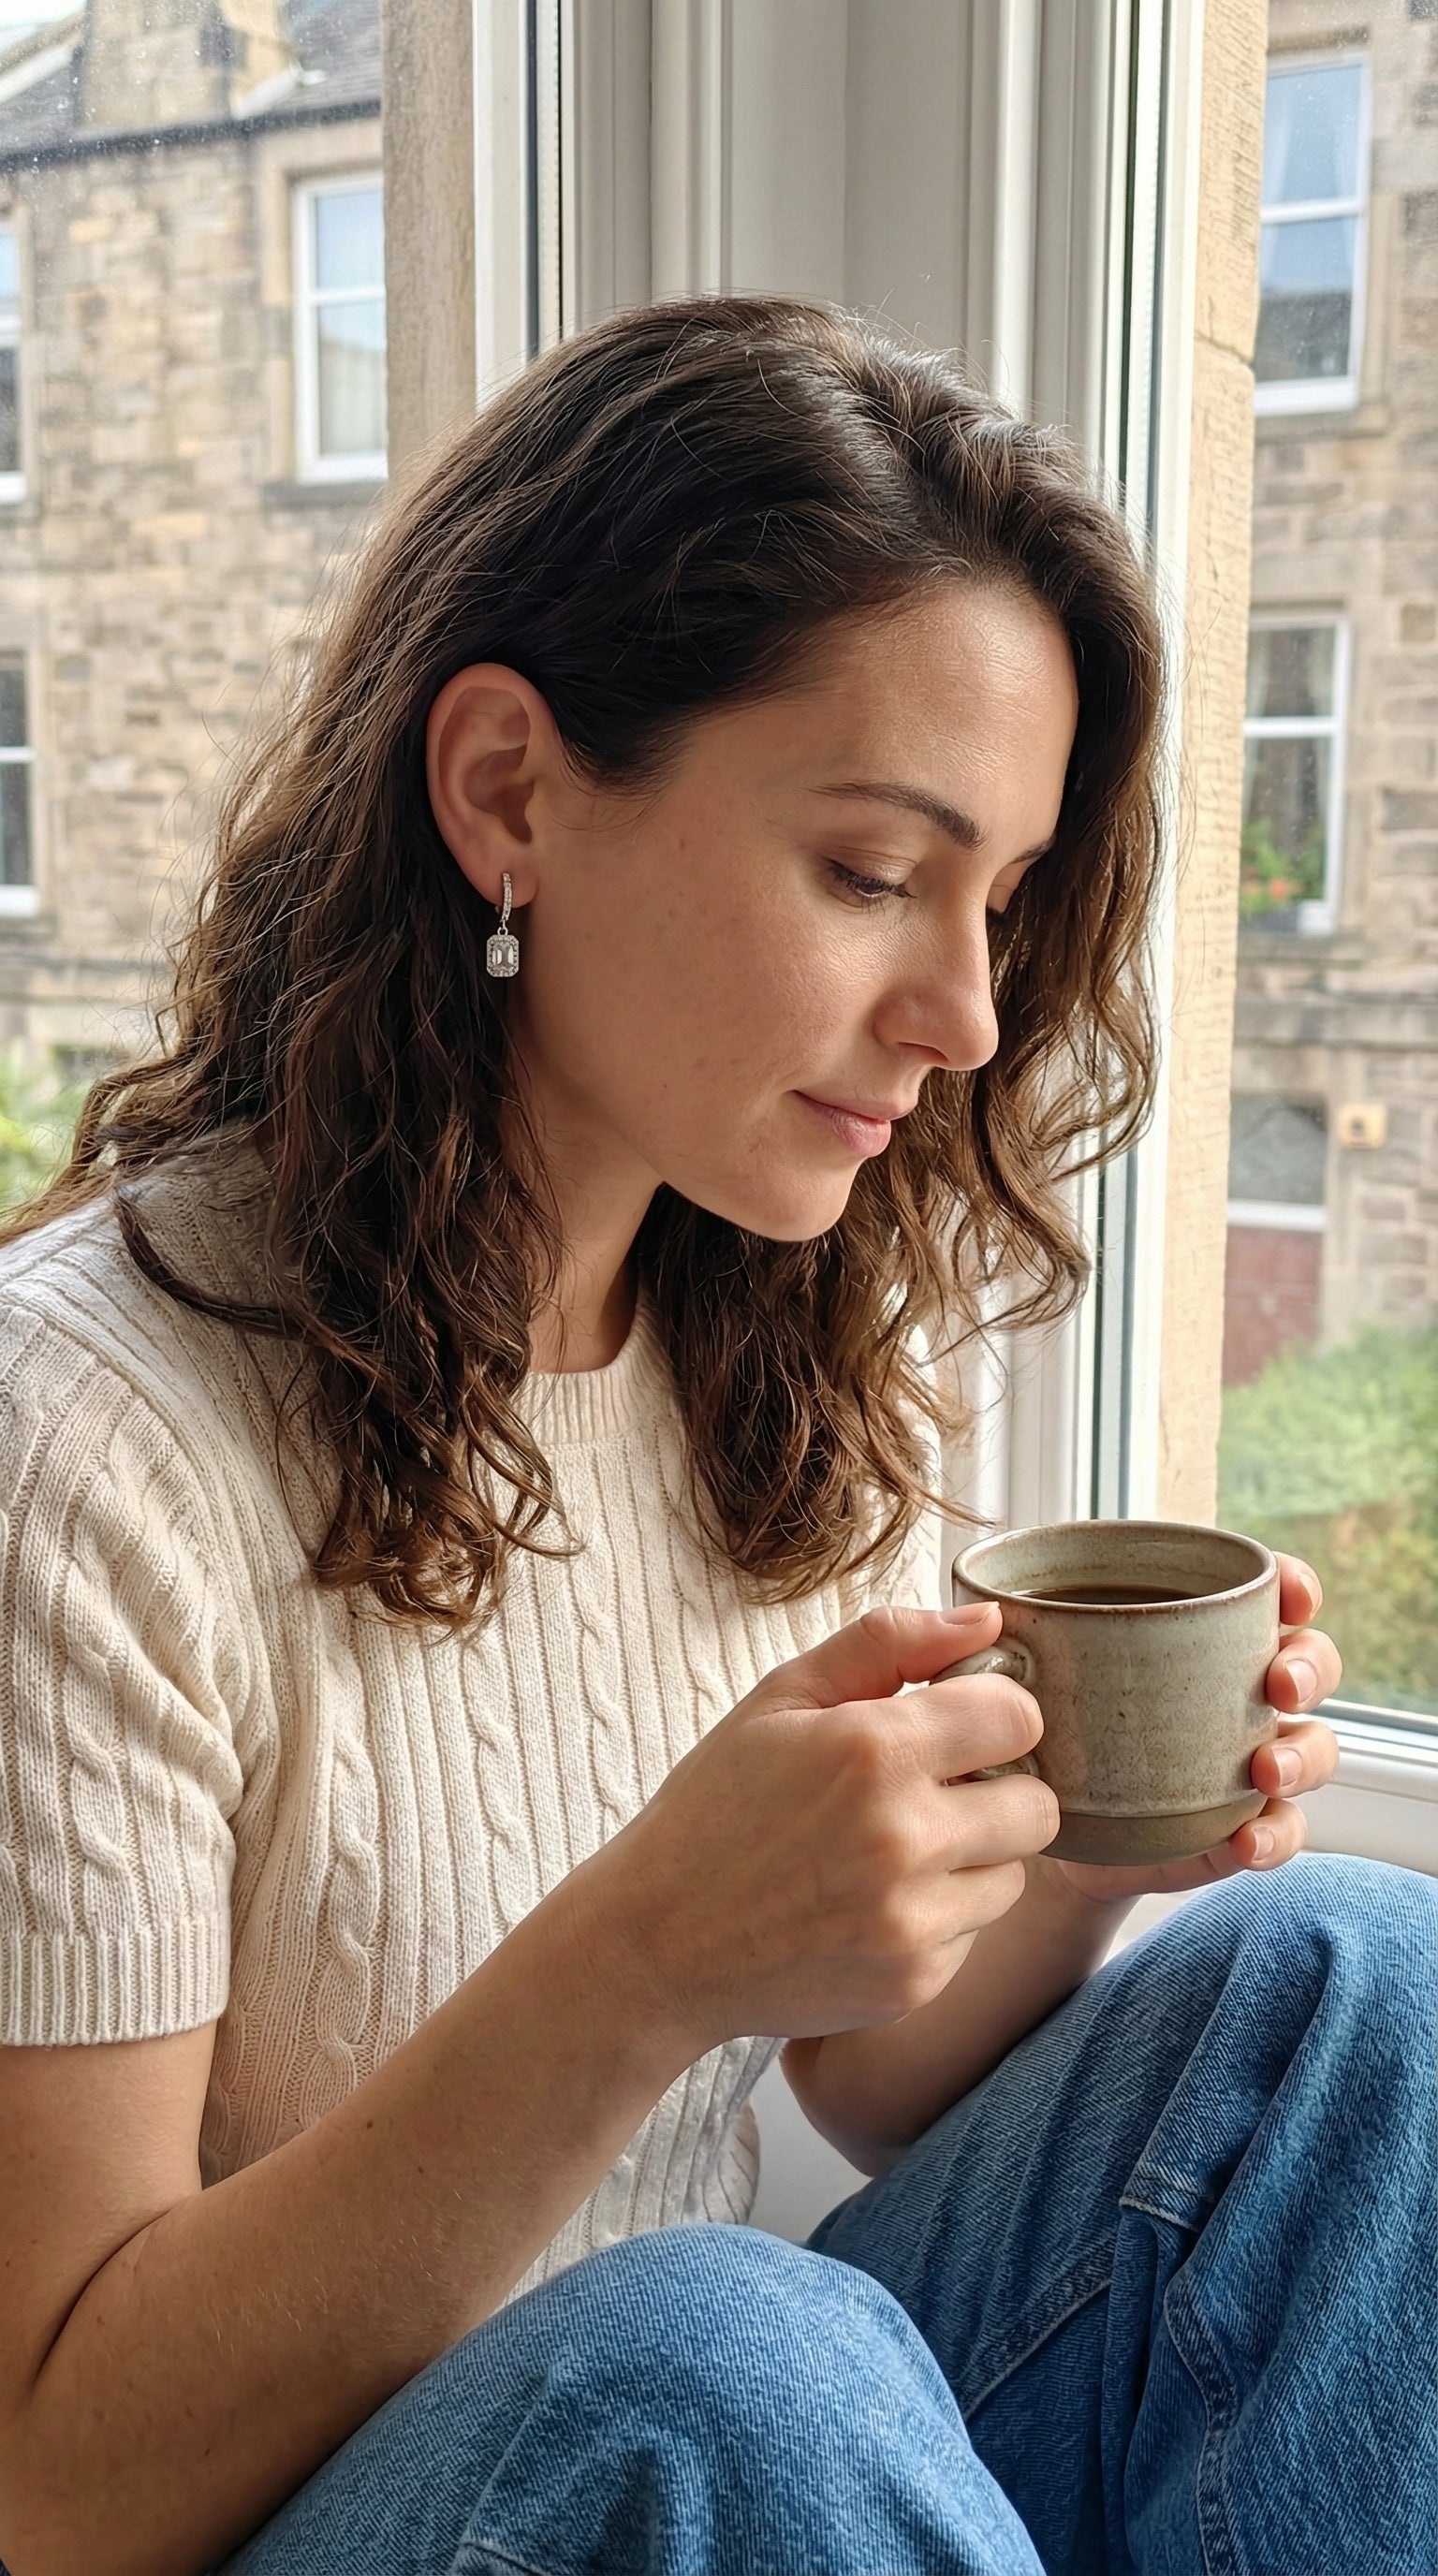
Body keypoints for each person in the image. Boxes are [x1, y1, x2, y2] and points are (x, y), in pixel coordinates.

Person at [0, 295, 1429, 2576]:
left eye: (1003, 902)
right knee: (723, 2355)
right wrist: (640, 1953)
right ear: (508, 792)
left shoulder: (755, 1326)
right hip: (327, 2512)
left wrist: (1074, 1847)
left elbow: (849, 2074)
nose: (964, 1013)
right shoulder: (78, 1439)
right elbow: (48, 2480)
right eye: (875, 872)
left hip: (720, 2479)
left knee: (1352, 1988)